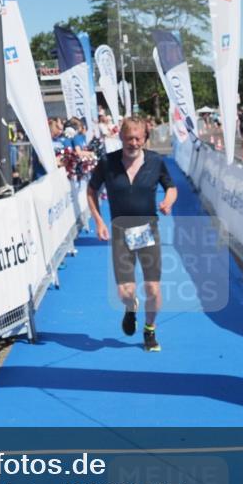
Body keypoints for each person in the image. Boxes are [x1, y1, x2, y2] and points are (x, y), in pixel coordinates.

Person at [87, 117, 177, 353]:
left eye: (138, 138)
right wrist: (98, 221)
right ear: (121, 138)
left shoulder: (156, 161)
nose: (134, 143)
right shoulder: (108, 162)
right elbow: (91, 190)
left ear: (145, 138)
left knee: (152, 289)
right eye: (129, 138)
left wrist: (168, 201)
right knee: (125, 293)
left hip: (148, 230)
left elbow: (171, 187)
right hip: (119, 232)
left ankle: (150, 329)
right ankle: (131, 308)